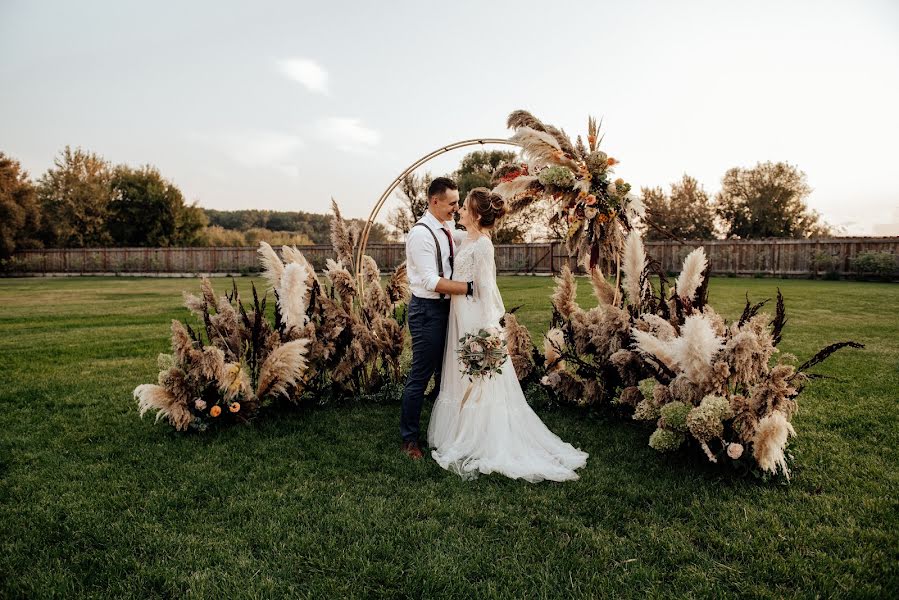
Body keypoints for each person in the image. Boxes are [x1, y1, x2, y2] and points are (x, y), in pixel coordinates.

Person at [427, 188, 588, 482]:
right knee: (464, 376)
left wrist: (489, 328)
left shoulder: (483, 246)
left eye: (464, 207)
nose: (459, 211)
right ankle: (463, 429)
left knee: (480, 378)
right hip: (460, 314)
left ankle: (480, 436)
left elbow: (488, 290)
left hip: (475, 319)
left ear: (475, 214)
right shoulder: (469, 238)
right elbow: (446, 231)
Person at [400, 177, 472, 459]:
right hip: (427, 311)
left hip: (447, 309)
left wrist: (480, 234)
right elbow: (431, 280)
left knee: (447, 373)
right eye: (452, 203)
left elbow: (458, 241)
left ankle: (442, 431)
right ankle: (409, 440)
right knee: (421, 375)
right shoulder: (421, 234)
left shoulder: (447, 226)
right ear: (435, 201)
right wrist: (469, 288)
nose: (456, 207)